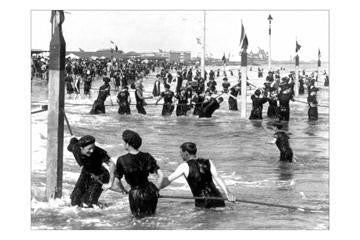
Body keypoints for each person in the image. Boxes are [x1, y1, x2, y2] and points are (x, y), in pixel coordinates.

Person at [157, 142, 236, 208]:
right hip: (218, 199)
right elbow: (217, 177)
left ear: (186, 153)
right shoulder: (208, 162)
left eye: (181, 153)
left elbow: (167, 180)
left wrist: (155, 189)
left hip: (203, 203)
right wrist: (228, 193)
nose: (180, 155)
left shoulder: (184, 166)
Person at [107, 130, 163, 218]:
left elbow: (117, 181)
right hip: (150, 191)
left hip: (135, 194)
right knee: (152, 217)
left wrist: (124, 190)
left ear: (127, 144)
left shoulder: (122, 160)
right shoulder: (147, 156)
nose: (123, 144)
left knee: (138, 220)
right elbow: (161, 175)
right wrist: (157, 189)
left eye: (123, 142)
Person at [67, 135, 115, 208]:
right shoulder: (75, 148)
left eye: (93, 147)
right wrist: (73, 139)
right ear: (81, 148)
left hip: (101, 175)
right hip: (87, 172)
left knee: (88, 203)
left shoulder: (99, 152)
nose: (92, 151)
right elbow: (72, 143)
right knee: (74, 201)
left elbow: (112, 164)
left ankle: (99, 211)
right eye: (89, 149)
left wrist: (110, 183)